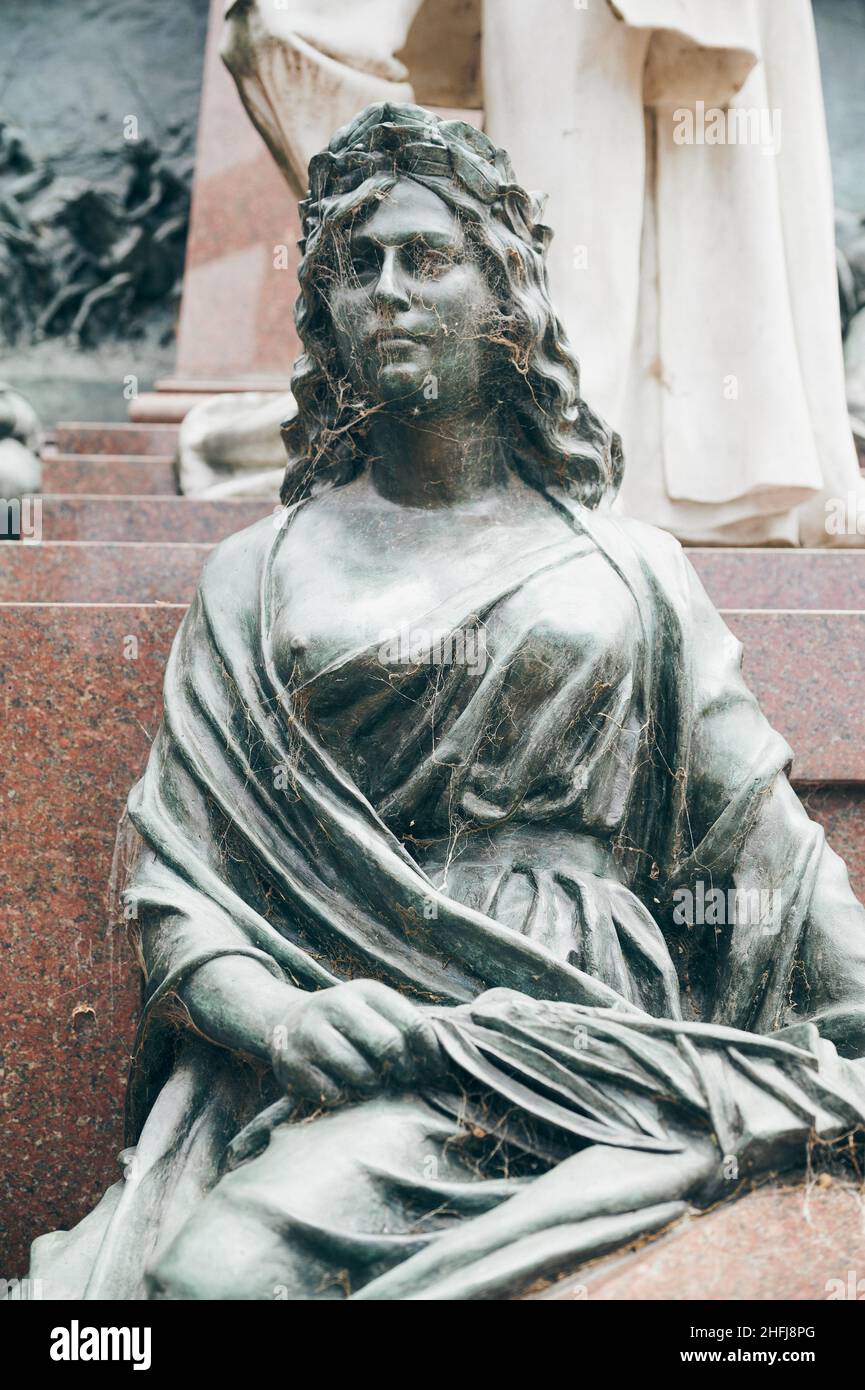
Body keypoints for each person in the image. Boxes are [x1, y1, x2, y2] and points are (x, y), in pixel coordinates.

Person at [30, 105, 865, 1302]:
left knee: (225, 1277)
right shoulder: (256, 577)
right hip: (356, 1036)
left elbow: (757, 843)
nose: (387, 291)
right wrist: (277, 1020)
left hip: (581, 1038)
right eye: (355, 268)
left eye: (427, 258)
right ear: (324, 315)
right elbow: (180, 885)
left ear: (507, 300)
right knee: (199, 1284)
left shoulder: (623, 569)